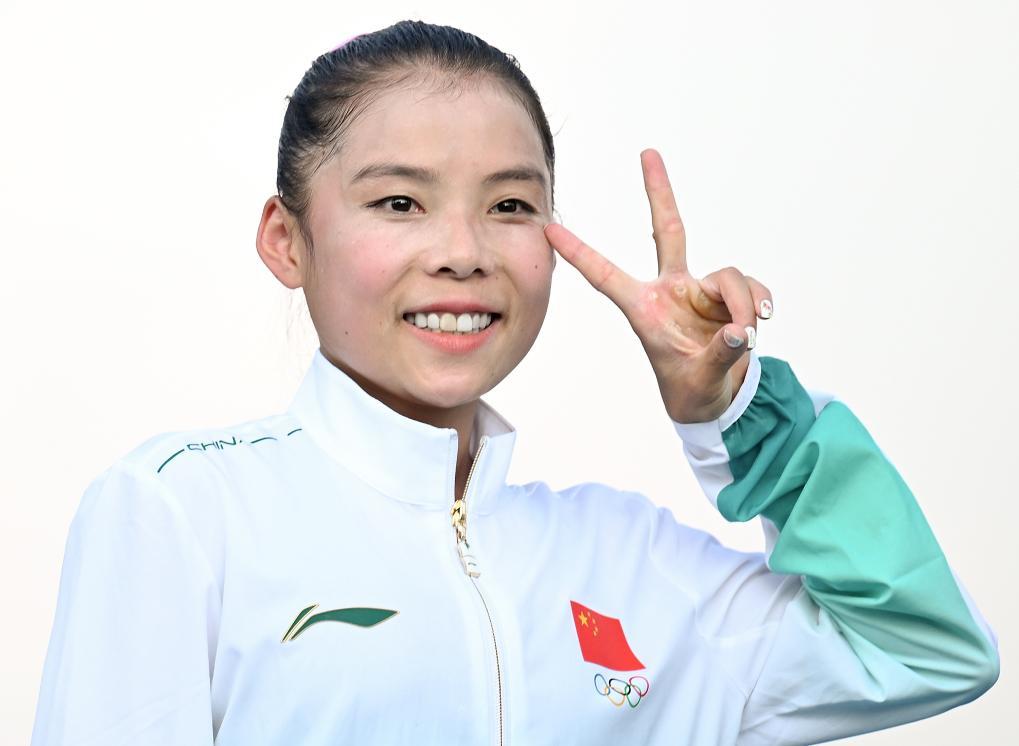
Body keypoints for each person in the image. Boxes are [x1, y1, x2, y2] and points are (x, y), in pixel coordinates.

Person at [30, 19, 999, 746]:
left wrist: (738, 418)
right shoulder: (184, 511)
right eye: (399, 201)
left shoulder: (630, 564)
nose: (462, 251)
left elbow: (924, 648)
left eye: (508, 205)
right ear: (287, 240)